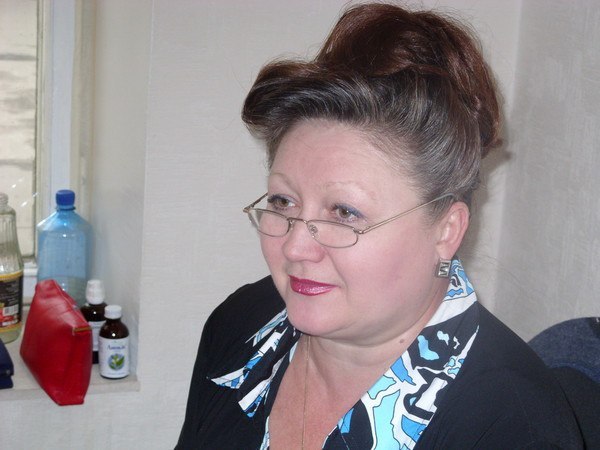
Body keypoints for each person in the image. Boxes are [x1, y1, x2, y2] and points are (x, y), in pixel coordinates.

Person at [176, 3, 583, 449]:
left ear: (446, 231)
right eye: (283, 202)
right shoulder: (239, 325)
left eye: (344, 212)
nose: (295, 247)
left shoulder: (510, 426)